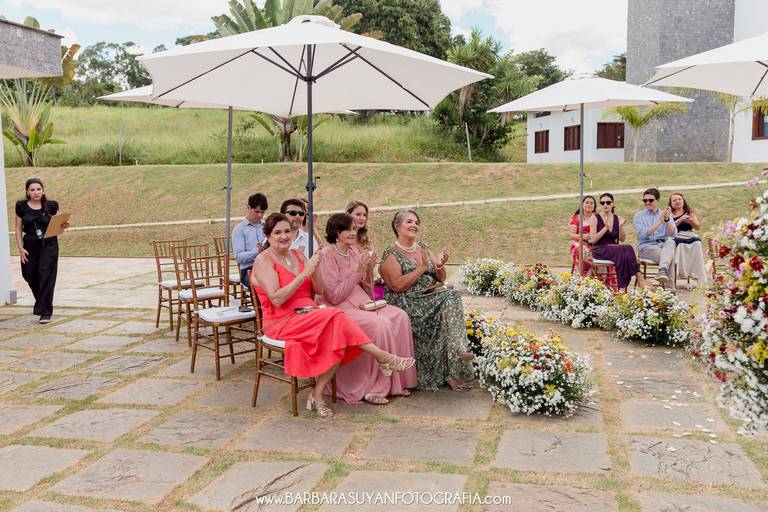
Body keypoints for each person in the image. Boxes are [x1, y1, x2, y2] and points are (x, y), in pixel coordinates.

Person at [251, 213, 414, 418]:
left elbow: (319, 289)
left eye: (287, 231)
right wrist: (304, 274)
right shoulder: (263, 260)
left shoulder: (298, 256)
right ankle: (384, 357)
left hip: (308, 314)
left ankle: (318, 393)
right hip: (282, 321)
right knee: (337, 317)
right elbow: (276, 299)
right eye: (277, 233)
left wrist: (314, 271)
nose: (283, 236)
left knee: (338, 332)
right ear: (268, 235)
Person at [315, 213, 417, 404]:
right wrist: (358, 272)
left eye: (354, 229)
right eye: (348, 229)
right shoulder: (327, 255)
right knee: (380, 324)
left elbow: (367, 288)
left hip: (362, 302)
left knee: (401, 316)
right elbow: (334, 295)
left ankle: (397, 383)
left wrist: (369, 270)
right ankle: (374, 388)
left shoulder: (353, 253)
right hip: (338, 307)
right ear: (336, 232)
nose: (353, 232)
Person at [380, 209, 473, 392]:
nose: (414, 225)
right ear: (397, 226)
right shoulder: (391, 253)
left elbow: (441, 278)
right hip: (408, 300)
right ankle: (458, 352)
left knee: (451, 296)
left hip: (430, 296)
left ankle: (453, 364)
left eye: (417, 222)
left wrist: (439, 265)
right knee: (451, 296)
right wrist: (422, 268)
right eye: (409, 222)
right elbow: (397, 286)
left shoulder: (423, 247)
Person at [14, 178, 69, 323]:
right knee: (29, 274)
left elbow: (60, 222)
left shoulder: (51, 205)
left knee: (46, 275)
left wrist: (64, 225)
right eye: (32, 190)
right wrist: (20, 248)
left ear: (43, 190)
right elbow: (18, 229)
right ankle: (43, 303)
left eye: (38, 189)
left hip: (49, 244)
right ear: (27, 192)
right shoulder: (21, 206)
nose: (36, 192)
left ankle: (45, 312)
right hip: (29, 244)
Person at [590, 193, 645, 291]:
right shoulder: (595, 218)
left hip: (614, 249)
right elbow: (593, 240)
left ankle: (625, 286)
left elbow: (622, 239)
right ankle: (637, 279)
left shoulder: (617, 218)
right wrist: (605, 228)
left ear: (612, 204)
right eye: (602, 203)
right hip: (600, 249)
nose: (605, 205)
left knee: (625, 251)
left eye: (608, 202)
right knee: (625, 250)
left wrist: (620, 226)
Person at [633, 188, 677, 290]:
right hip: (647, 246)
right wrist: (659, 222)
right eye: (645, 200)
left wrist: (666, 219)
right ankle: (670, 290)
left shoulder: (665, 214)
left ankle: (662, 270)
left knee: (671, 242)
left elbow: (673, 233)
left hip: (664, 244)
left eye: (650, 200)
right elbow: (643, 235)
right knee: (669, 257)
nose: (647, 202)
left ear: (658, 200)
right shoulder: (638, 216)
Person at [668, 192, 710, 286]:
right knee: (680, 244)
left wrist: (691, 221)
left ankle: (697, 275)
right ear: (671, 203)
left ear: (683, 201)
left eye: (679, 199)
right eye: (674, 200)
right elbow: (668, 228)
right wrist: (680, 219)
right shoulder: (669, 214)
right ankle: (681, 272)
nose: (677, 201)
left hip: (689, 235)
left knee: (697, 243)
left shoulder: (690, 213)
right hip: (676, 236)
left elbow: (698, 227)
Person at [232, 193, 268, 295]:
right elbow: (239, 257)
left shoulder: (267, 226)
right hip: (248, 269)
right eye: (256, 211)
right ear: (248, 207)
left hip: (268, 265)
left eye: (262, 212)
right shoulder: (239, 229)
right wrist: (258, 251)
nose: (260, 215)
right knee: (261, 283)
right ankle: (260, 306)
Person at [568, 196, 596, 275]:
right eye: (587, 202)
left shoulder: (597, 217)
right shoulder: (576, 217)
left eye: (591, 203)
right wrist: (583, 236)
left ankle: (597, 277)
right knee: (582, 250)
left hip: (594, 243)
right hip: (579, 243)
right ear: (582, 205)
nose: (589, 204)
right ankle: (583, 276)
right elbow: (571, 235)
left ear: (594, 206)